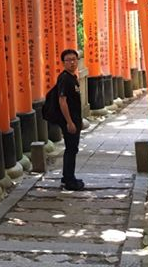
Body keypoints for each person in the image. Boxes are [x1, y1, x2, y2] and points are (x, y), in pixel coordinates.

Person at [57, 48, 84, 191]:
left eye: (74, 59)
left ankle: (67, 177)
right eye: (68, 60)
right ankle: (69, 181)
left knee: (72, 148)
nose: (72, 62)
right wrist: (69, 122)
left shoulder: (73, 77)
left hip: (75, 119)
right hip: (70, 121)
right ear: (63, 63)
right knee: (71, 149)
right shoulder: (64, 78)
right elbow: (62, 101)